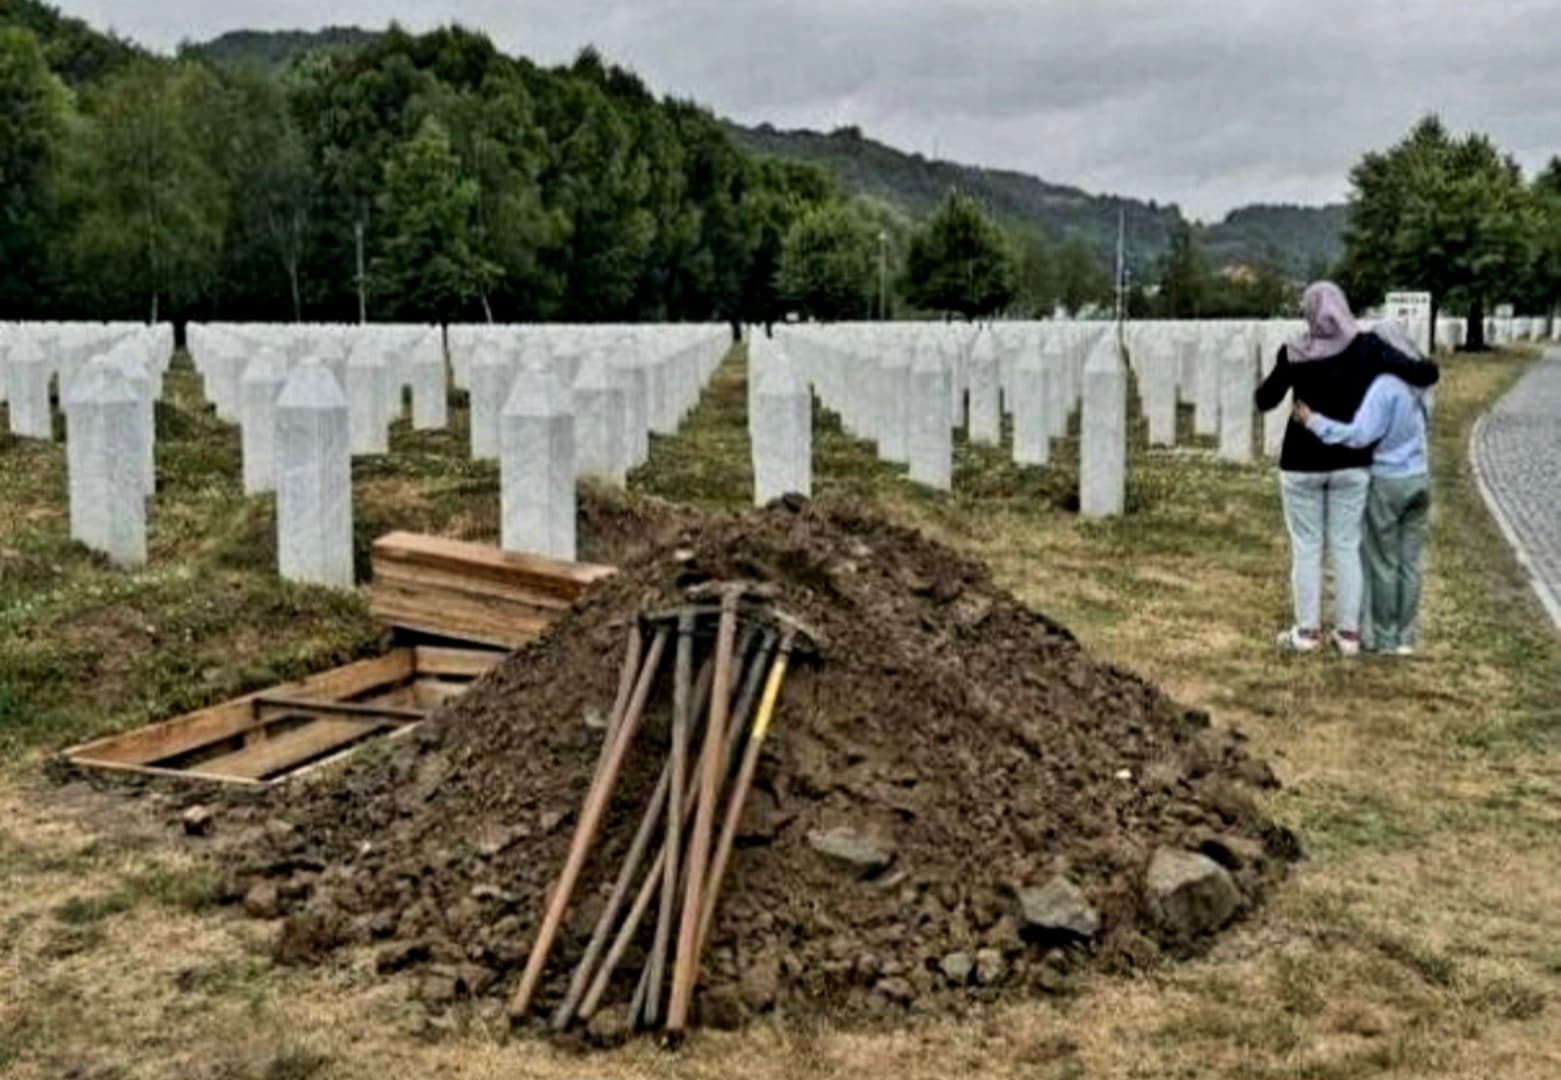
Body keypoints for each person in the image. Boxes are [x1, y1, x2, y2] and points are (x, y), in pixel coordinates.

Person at [1255, 283, 1439, 656]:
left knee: (1306, 548)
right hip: (1352, 464)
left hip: (1302, 462)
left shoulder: (1295, 352)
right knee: (1346, 546)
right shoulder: (1368, 347)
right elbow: (1423, 373)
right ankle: (1349, 634)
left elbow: (1265, 399)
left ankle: (1306, 633)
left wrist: (1290, 375)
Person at [1293, 321, 1431, 656]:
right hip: (1420, 478)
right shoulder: (1421, 384)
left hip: (1388, 479)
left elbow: (1359, 435)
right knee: (1409, 562)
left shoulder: (1384, 387)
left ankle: (1383, 638)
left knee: (1383, 561)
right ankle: (1405, 637)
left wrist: (1314, 422)